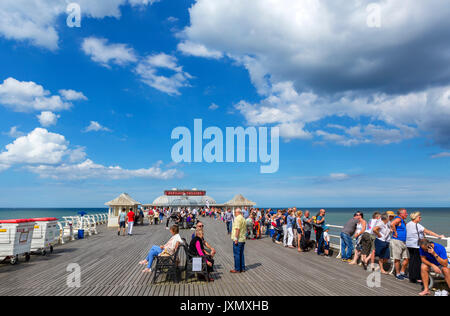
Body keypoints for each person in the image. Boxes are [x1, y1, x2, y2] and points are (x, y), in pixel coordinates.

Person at [406, 212, 445, 284]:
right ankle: (418, 277)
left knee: (412, 261)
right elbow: (429, 232)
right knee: (418, 262)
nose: (420, 218)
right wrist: (438, 236)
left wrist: (421, 233)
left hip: (409, 244)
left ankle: (412, 277)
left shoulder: (408, 224)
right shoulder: (418, 225)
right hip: (416, 245)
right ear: (415, 217)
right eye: (419, 217)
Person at [390, 209, 410, 280]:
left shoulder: (402, 220)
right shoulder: (398, 219)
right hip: (397, 241)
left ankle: (402, 272)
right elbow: (392, 224)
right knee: (397, 258)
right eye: (405, 213)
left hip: (404, 241)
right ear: (401, 214)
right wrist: (395, 233)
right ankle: (398, 274)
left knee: (407, 258)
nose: (407, 214)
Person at [230, 208, 247, 273]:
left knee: (236, 254)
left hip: (238, 239)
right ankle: (242, 268)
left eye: (235, 212)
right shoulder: (243, 218)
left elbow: (237, 229)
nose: (234, 213)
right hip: (242, 238)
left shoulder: (237, 219)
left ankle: (237, 269)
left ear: (237, 212)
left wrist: (236, 239)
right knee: (241, 254)